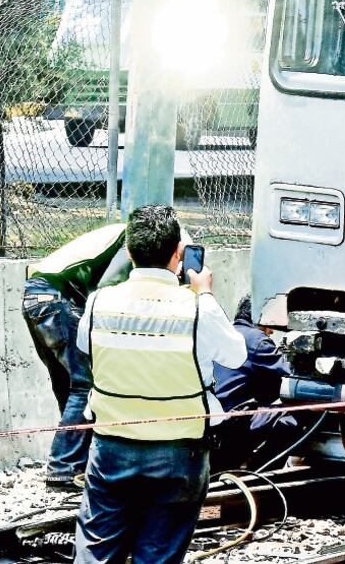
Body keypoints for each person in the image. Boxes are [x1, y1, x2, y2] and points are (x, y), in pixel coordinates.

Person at [73, 205, 246, 564]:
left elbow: (83, 347)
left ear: (130, 252)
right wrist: (206, 294)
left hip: (111, 447)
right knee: (158, 555)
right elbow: (236, 355)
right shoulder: (198, 308)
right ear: (178, 255)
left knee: (96, 551)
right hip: (179, 453)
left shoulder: (99, 302)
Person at [22, 223, 132, 489]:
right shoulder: (132, 240)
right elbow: (104, 289)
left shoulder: (119, 231)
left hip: (35, 295)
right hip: (59, 299)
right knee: (86, 384)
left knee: (69, 383)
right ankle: (63, 467)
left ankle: (73, 460)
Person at [211, 294, 300, 472]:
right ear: (261, 315)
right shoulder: (255, 340)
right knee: (293, 419)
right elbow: (293, 374)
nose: (272, 330)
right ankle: (258, 473)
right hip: (230, 425)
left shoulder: (222, 333)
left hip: (211, 422)